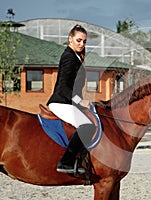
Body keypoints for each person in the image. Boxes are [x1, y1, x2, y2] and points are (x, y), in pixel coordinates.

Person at [47, 24, 96, 174]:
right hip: (60, 101)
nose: (81, 44)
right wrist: (80, 101)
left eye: (84, 42)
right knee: (87, 126)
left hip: (69, 101)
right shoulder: (69, 56)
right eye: (78, 40)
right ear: (70, 39)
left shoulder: (76, 57)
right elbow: (63, 87)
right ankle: (66, 162)